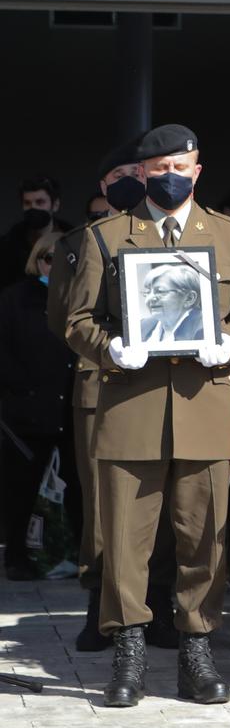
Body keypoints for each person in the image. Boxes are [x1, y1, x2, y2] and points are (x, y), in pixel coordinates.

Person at [63, 123, 230, 708]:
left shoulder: (228, 237)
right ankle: (128, 654)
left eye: (182, 168)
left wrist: (228, 344)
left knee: (204, 536)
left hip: (204, 407)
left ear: (198, 171)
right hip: (129, 406)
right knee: (124, 540)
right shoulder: (107, 236)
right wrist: (111, 349)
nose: (171, 178)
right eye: (160, 170)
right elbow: (78, 320)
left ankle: (196, 652)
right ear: (142, 175)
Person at [49, 140, 159, 650]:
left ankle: (157, 604)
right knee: (102, 506)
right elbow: (63, 319)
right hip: (102, 385)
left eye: (141, 172)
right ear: (104, 187)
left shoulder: (171, 238)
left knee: (166, 502)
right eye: (122, 175)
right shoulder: (79, 243)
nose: (134, 182)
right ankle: (101, 607)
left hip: (166, 383)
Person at [0, 229, 76, 581]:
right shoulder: (14, 299)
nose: (56, 265)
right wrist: (20, 391)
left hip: (72, 409)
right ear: (37, 260)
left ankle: (77, 556)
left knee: (78, 488)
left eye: (66, 260)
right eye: (49, 258)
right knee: (22, 490)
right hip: (28, 413)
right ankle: (17, 557)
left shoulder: (83, 297)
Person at [0, 175, 66, 289]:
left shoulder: (74, 240)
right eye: (27, 203)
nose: (33, 207)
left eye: (40, 202)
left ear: (55, 205)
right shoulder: (7, 247)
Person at [137, 265, 206, 343]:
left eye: (160, 291)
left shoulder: (204, 329)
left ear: (189, 298)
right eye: (147, 292)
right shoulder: (142, 326)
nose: (149, 299)